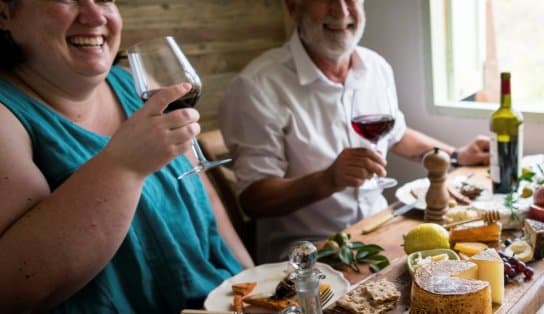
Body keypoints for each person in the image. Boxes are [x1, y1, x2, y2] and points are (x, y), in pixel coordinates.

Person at [0, 0, 253, 313]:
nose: (95, 16)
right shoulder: (6, 118)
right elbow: (13, 287)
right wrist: (124, 167)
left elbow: (206, 198)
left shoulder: (135, 84)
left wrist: (253, 281)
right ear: (6, 13)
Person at [220, 0, 490, 263]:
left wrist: (456, 155)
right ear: (293, 7)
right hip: (307, 255)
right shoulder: (256, 86)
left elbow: (396, 134)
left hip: (379, 229)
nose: (341, 10)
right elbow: (254, 200)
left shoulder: (377, 67)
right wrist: (327, 180)